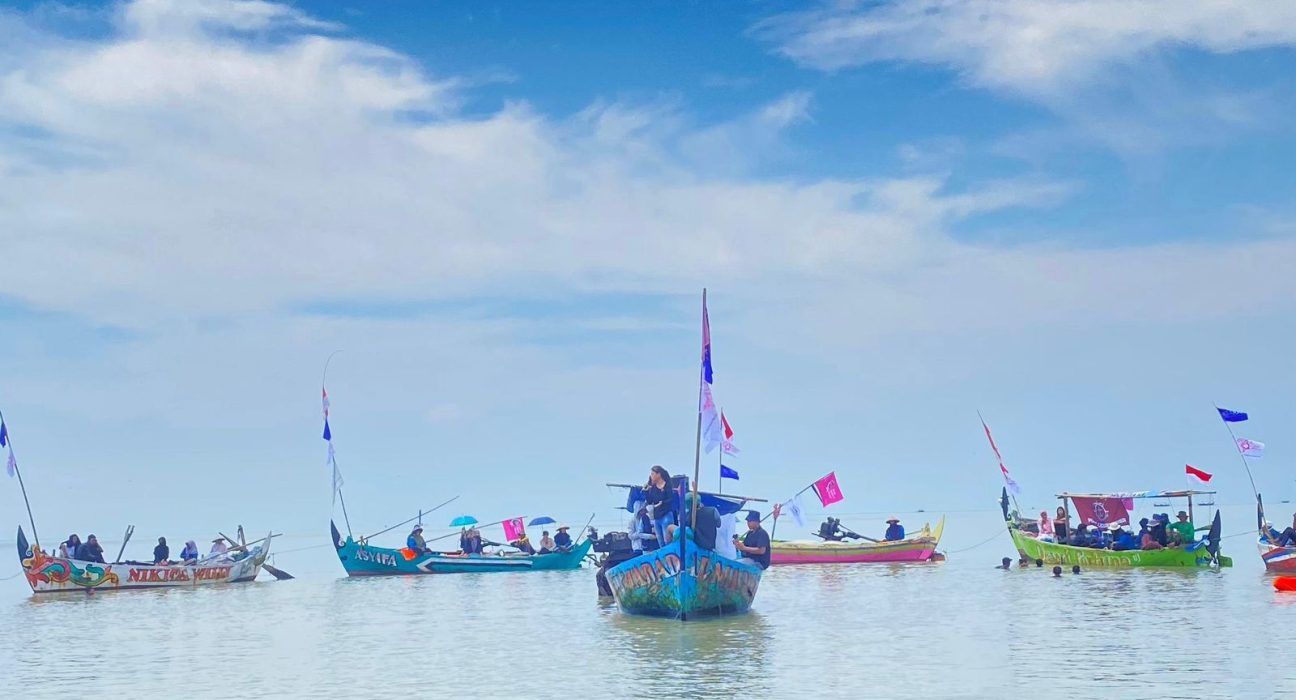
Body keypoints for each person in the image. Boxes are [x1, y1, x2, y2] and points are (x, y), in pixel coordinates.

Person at [644, 465, 676, 546]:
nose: (651, 476)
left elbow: (671, 499)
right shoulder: (652, 488)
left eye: (653, 474)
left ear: (659, 474)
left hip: (666, 514)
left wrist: (662, 503)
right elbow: (650, 501)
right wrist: (646, 492)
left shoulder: (667, 485)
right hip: (657, 516)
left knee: (667, 540)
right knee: (660, 541)